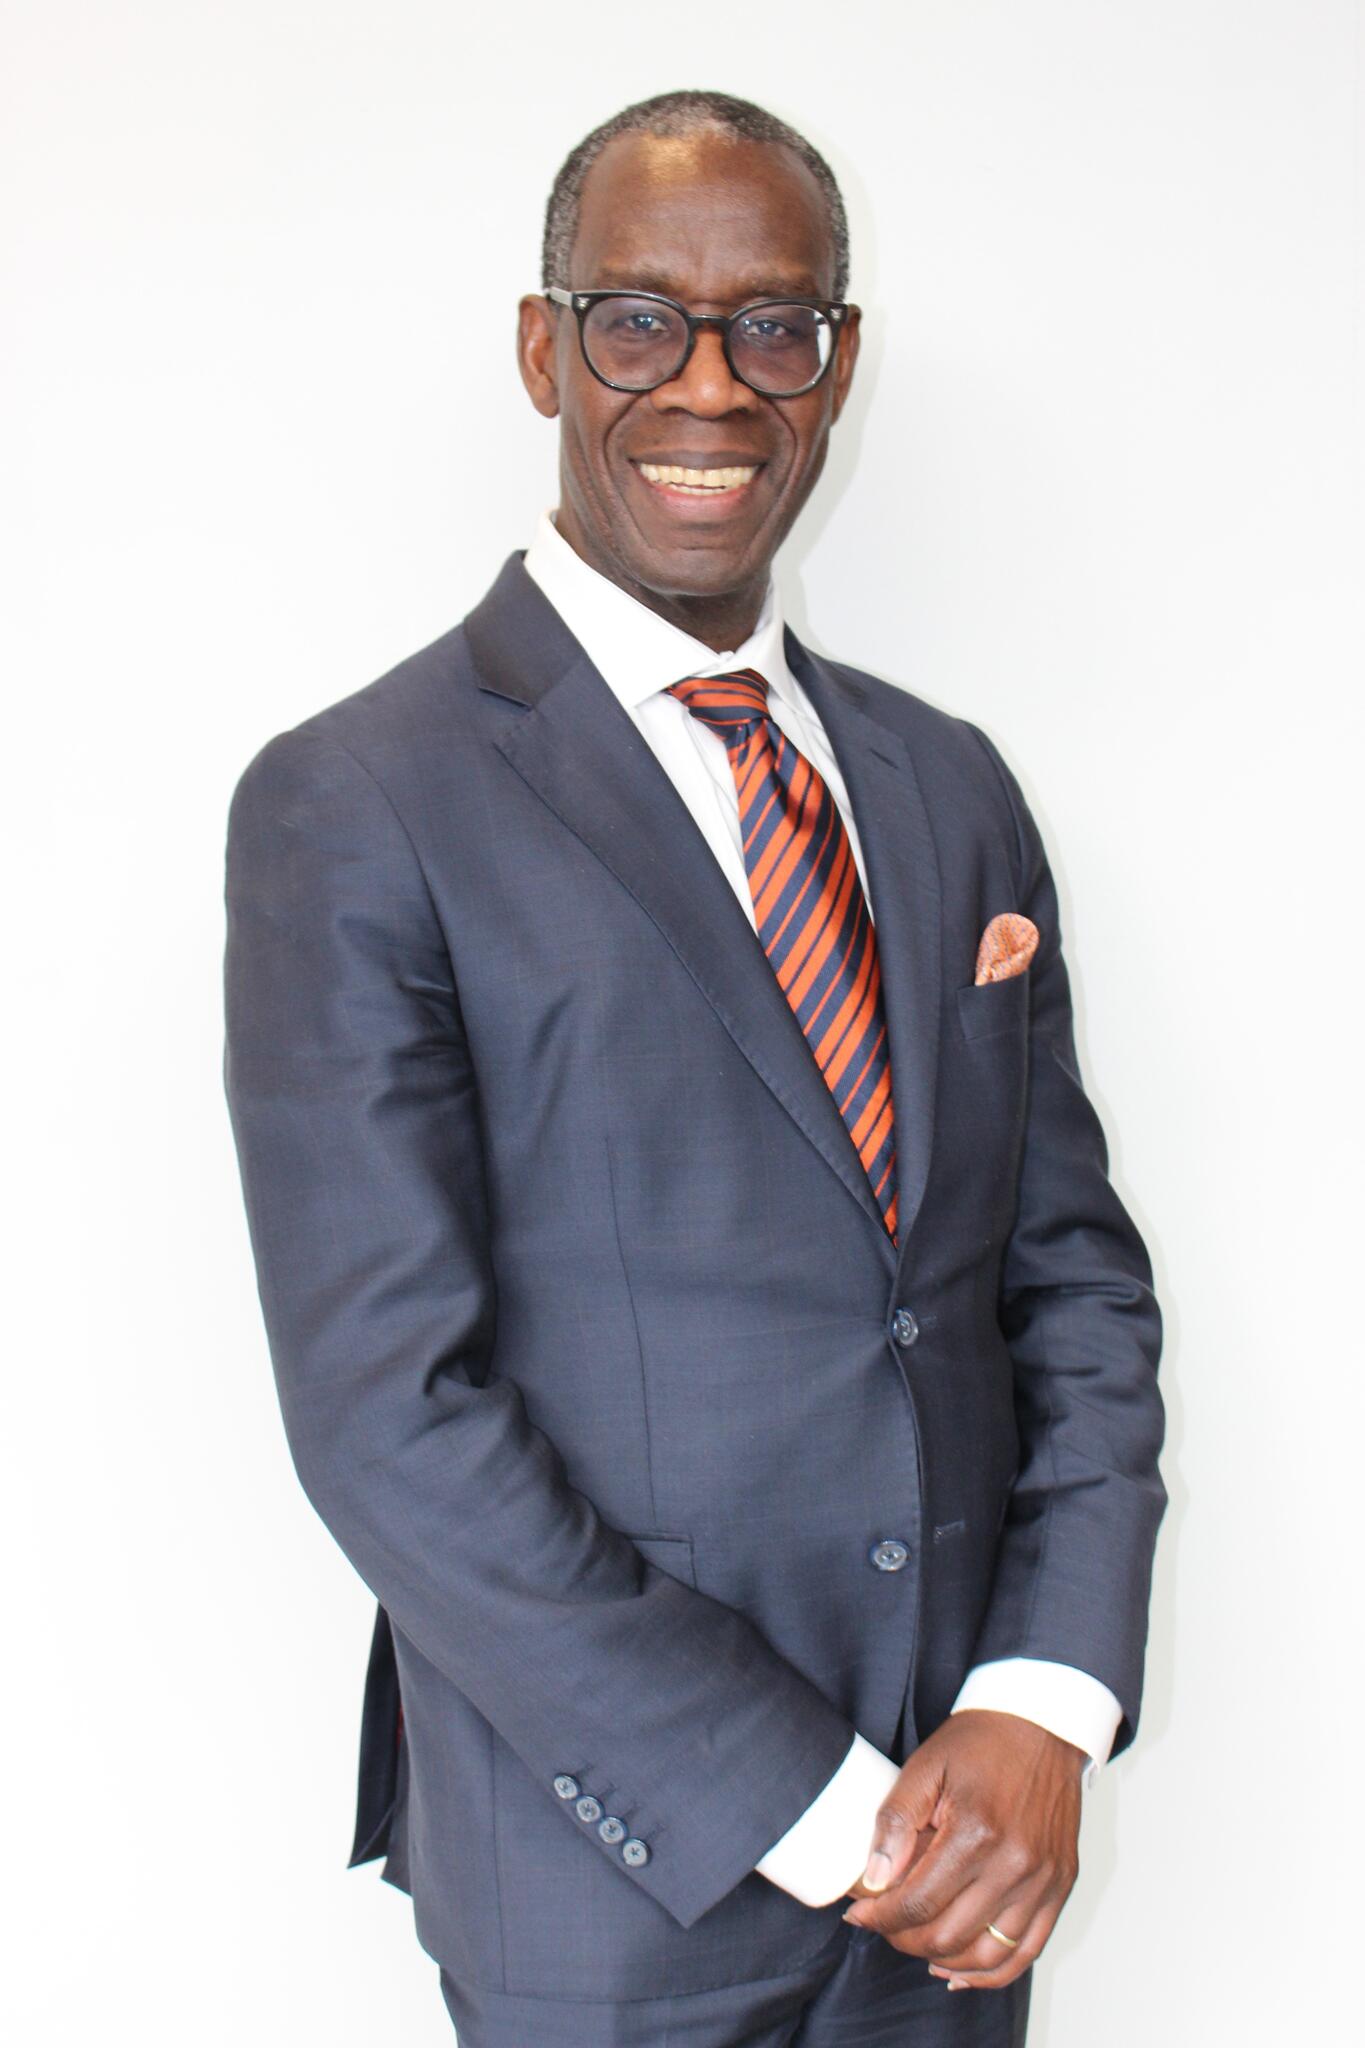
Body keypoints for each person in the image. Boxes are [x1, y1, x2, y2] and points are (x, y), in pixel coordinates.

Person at [222, 87, 1165, 2048]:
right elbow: (389, 1413)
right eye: (641, 320)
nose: (712, 387)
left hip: (963, 1859)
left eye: (774, 327)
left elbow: (1064, 1282)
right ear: (543, 347)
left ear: (838, 363)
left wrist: (1037, 1700)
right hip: (617, 1884)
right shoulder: (360, 799)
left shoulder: (947, 786)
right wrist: (821, 1811)